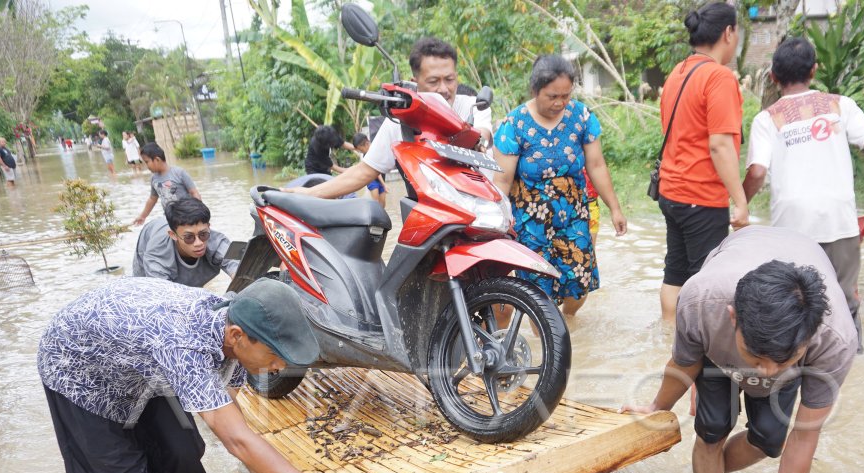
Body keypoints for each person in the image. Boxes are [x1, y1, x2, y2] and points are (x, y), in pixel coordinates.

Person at [38, 277, 357, 473]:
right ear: (236, 336)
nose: (279, 368)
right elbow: (235, 439)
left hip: (141, 361)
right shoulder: (184, 345)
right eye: (275, 356)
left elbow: (233, 417)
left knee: (183, 458)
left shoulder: (231, 334)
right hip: (78, 368)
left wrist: (261, 469)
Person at [625, 226, 858, 473]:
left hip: (780, 326)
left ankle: (711, 469)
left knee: (770, 439)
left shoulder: (835, 340)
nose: (765, 373)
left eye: (781, 361)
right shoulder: (701, 300)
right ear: (733, 316)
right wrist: (656, 407)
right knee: (712, 426)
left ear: (809, 338)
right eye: (755, 358)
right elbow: (684, 362)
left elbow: (805, 437)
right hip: (721, 336)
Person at [743, 37, 864, 350]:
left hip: (791, 225)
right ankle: (853, 354)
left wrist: (739, 205)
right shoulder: (840, 105)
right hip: (839, 218)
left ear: (774, 77)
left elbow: (757, 173)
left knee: (793, 299)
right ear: (814, 71)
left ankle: (795, 358)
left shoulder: (766, 119)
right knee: (845, 297)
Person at [492, 54, 627, 317]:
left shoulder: (581, 116)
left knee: (579, 284)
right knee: (538, 293)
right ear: (535, 90)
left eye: (565, 95)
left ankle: (568, 320)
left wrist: (615, 208)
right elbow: (503, 181)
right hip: (530, 222)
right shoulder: (514, 125)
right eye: (552, 96)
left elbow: (596, 165)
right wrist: (497, 226)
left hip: (574, 217)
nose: (560, 102)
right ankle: (552, 340)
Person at [291, 37, 492, 200]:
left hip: (482, 213)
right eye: (433, 81)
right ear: (416, 83)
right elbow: (363, 172)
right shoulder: (398, 123)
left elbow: (483, 135)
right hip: (434, 222)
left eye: (449, 79)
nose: (444, 89)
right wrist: (308, 193)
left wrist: (476, 140)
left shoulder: (473, 106)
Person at [656, 1, 747, 323]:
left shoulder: (678, 73)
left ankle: (671, 342)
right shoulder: (719, 77)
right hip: (701, 197)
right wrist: (741, 201)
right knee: (708, 282)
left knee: (676, 274)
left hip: (672, 192)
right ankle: (699, 357)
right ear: (728, 32)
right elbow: (720, 145)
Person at [132, 197, 240, 288]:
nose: (198, 243)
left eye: (203, 234)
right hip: (150, 236)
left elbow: (240, 268)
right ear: (173, 235)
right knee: (143, 288)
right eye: (189, 237)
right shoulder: (156, 257)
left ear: (208, 227)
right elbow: (163, 296)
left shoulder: (217, 241)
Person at [132, 142, 201, 225]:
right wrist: (142, 216)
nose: (146, 166)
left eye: (147, 162)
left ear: (157, 160)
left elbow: (194, 192)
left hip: (186, 215)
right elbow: (152, 199)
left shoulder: (179, 173)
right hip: (169, 218)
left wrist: (199, 212)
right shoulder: (154, 179)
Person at [352, 132, 387, 208]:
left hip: (381, 179)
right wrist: (384, 184)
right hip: (372, 180)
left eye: (361, 150)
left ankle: (380, 218)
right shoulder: (367, 155)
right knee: (376, 203)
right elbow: (376, 170)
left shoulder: (375, 149)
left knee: (383, 204)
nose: (361, 152)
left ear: (366, 143)